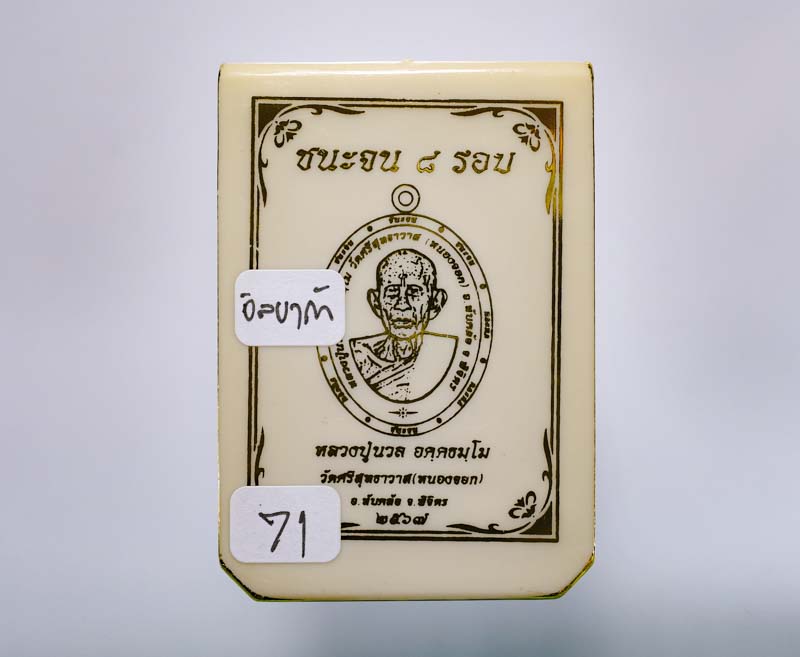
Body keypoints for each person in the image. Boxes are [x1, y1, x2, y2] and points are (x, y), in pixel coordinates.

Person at [350, 249, 457, 402]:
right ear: (376, 303)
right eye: (392, 293)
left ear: (435, 303)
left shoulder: (446, 352)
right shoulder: (359, 355)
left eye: (414, 292)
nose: (402, 305)